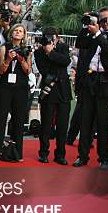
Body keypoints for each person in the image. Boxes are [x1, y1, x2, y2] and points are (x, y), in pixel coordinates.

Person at [73, 7, 108, 169]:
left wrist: (98, 34)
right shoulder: (92, 32)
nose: (102, 23)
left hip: (106, 82)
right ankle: (82, 156)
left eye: (105, 20)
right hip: (89, 79)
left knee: (103, 123)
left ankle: (104, 158)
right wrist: (86, 26)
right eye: (100, 20)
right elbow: (80, 43)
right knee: (85, 121)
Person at [0, 24, 33, 161]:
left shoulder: (27, 50)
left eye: (21, 31)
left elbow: (28, 71)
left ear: (24, 35)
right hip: (5, 86)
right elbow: (0, 70)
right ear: (12, 33)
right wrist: (8, 59)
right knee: (0, 118)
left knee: (19, 120)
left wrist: (21, 60)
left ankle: (17, 153)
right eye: (16, 30)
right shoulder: (4, 47)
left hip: (21, 87)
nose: (18, 33)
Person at [35, 28, 72, 165]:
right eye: (47, 37)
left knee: (62, 125)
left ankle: (60, 154)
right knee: (46, 124)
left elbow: (65, 61)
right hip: (49, 91)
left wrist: (52, 52)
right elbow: (43, 70)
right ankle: (43, 153)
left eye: (52, 37)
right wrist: (47, 52)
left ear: (57, 38)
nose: (49, 40)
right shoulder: (39, 52)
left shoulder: (63, 47)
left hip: (63, 91)